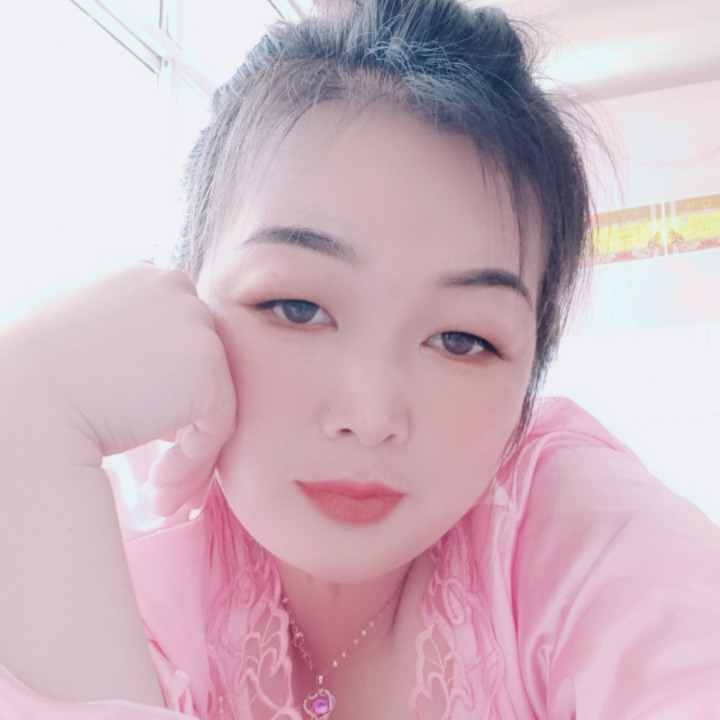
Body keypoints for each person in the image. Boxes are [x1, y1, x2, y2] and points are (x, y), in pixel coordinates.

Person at [1, 1, 719, 718]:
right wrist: (27, 407)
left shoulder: (571, 530)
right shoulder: (108, 521)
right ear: (186, 294)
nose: (370, 416)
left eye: (462, 340)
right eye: (297, 307)